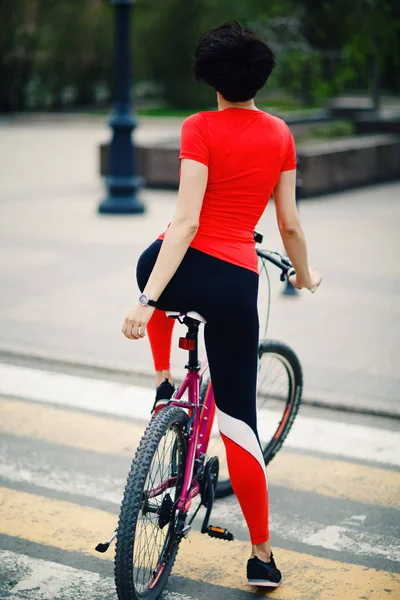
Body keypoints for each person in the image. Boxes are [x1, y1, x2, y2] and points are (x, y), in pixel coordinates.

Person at [122, 20, 321, 588]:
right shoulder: (280, 133)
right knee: (239, 424)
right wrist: (305, 277)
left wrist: (146, 298)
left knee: (155, 269)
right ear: (259, 76)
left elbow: (184, 222)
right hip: (233, 281)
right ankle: (261, 557)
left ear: (209, 77)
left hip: (175, 270)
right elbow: (288, 223)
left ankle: (164, 384)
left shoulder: (198, 126)